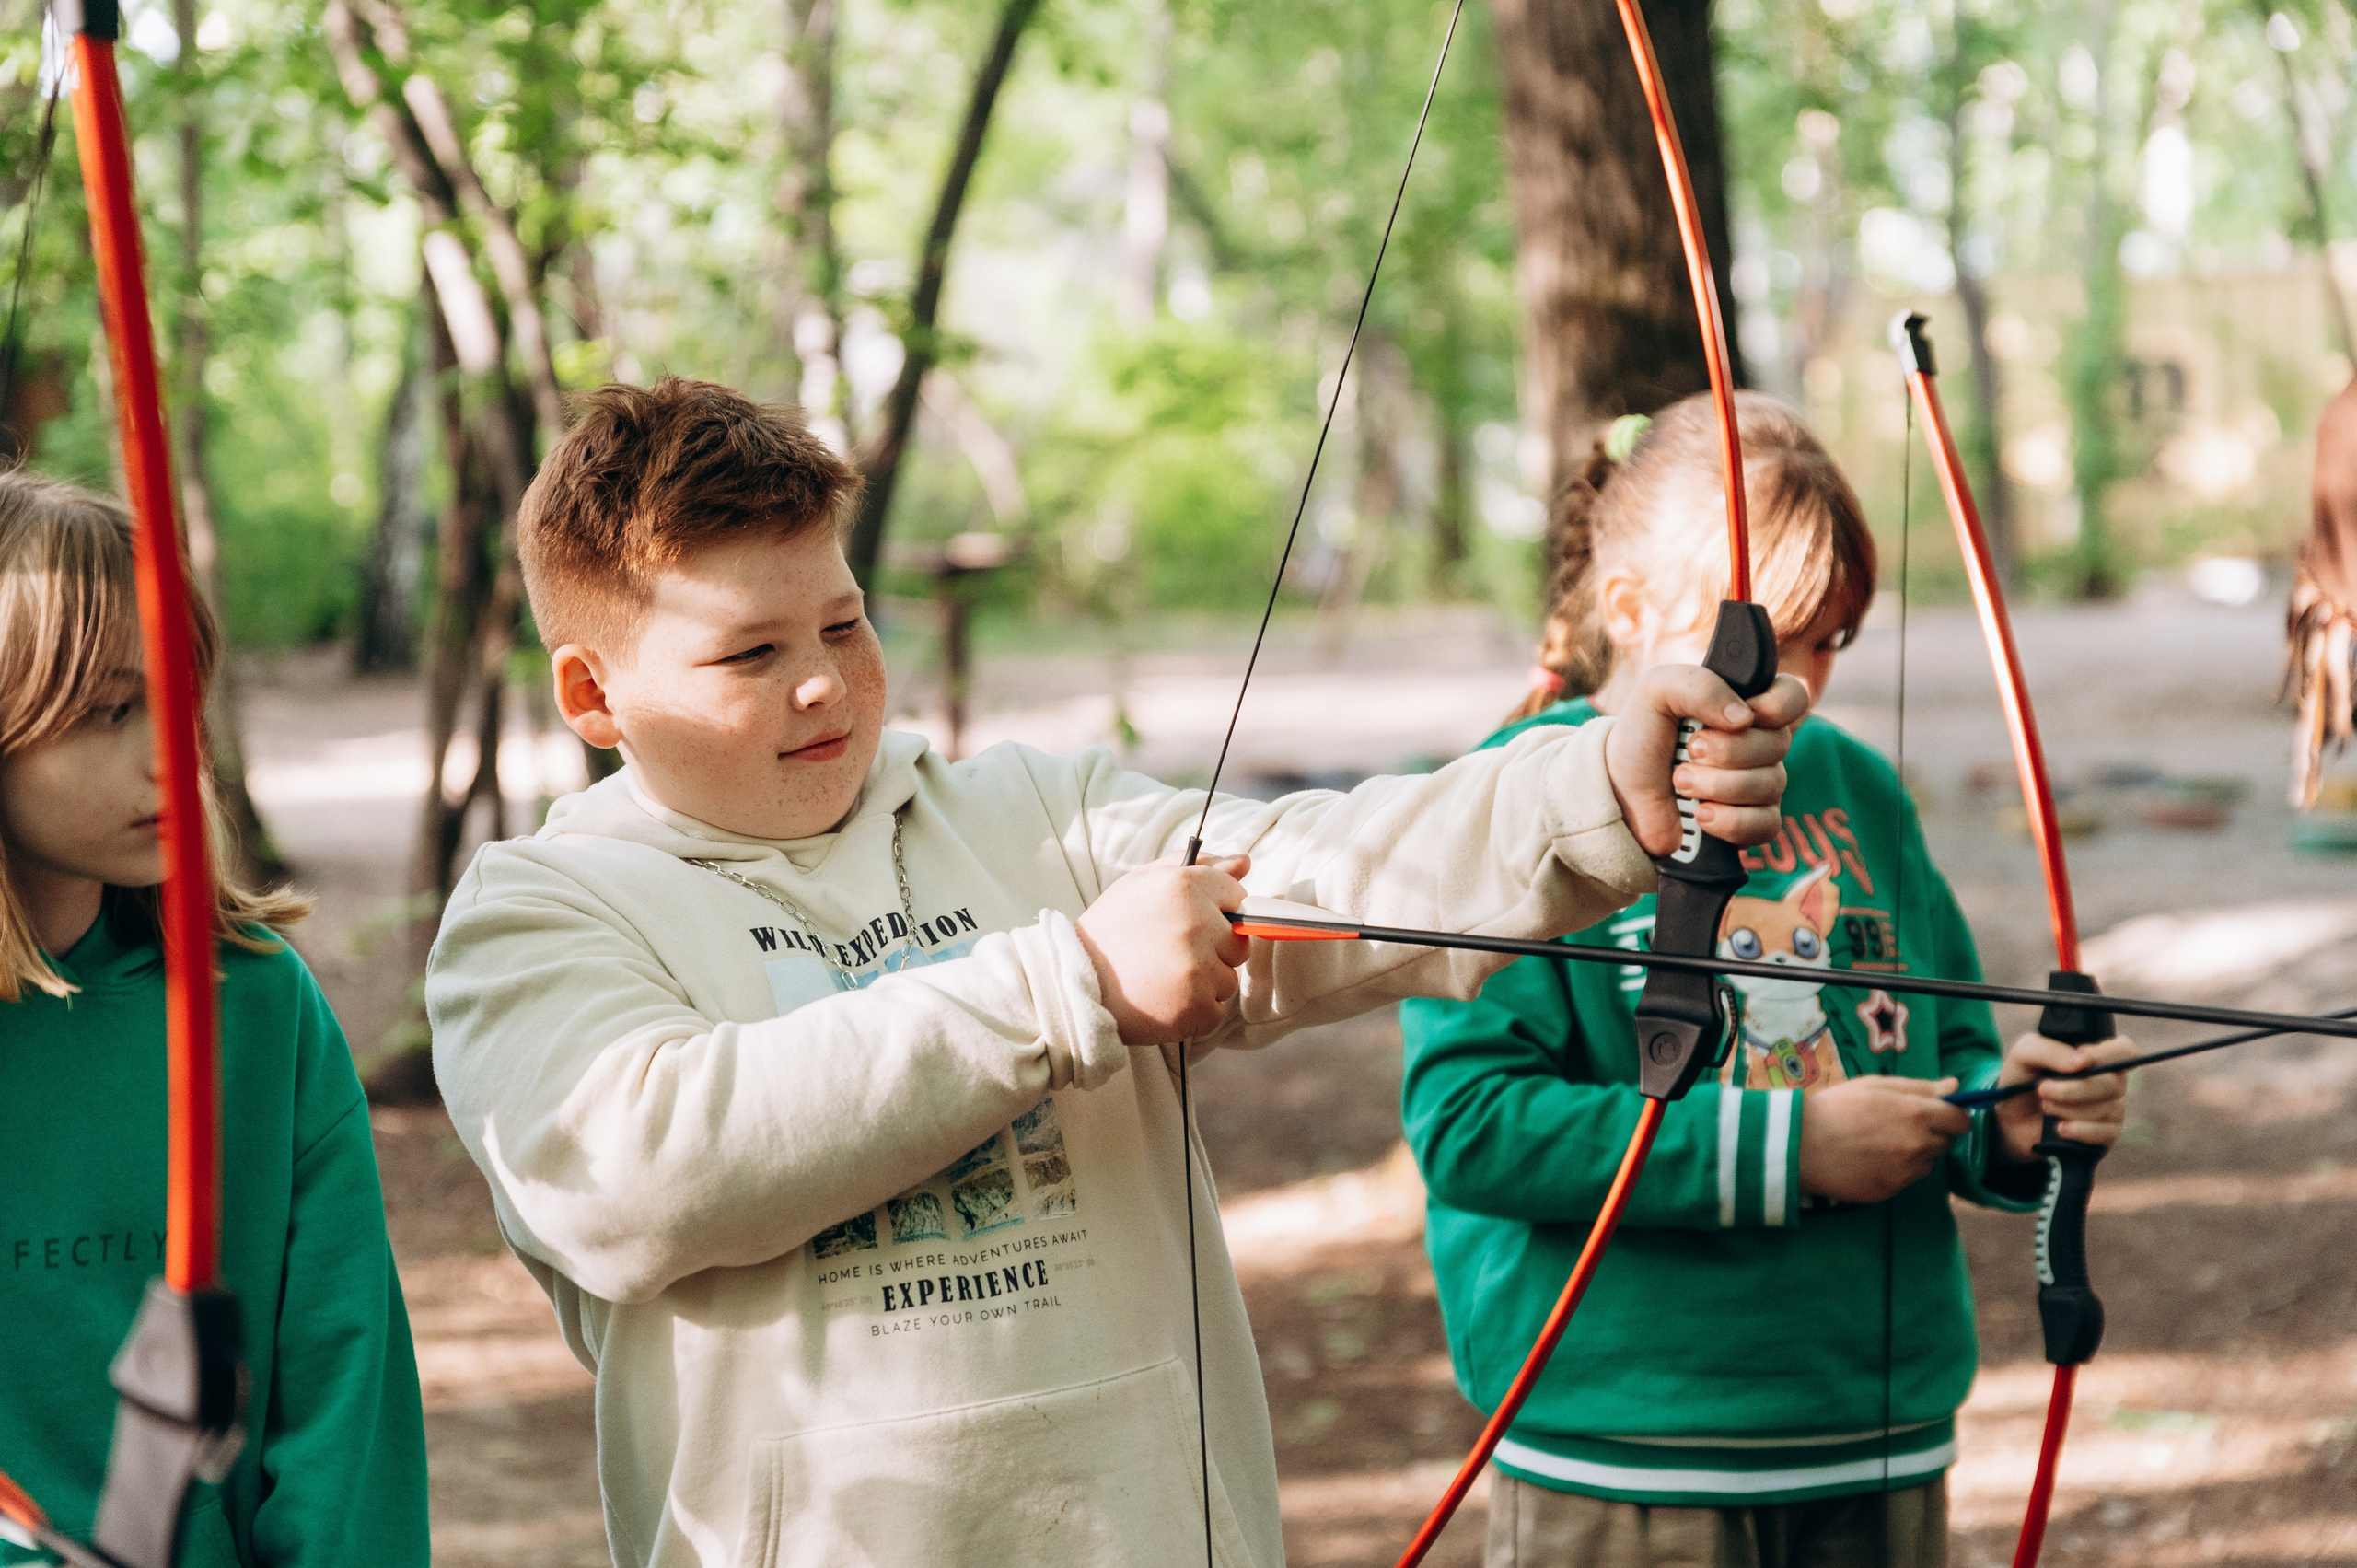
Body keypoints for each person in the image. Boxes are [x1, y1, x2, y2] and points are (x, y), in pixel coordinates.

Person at [423, 377, 1810, 1568]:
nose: (824, 686)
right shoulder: (540, 914)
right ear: (595, 696)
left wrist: (1594, 790)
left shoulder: (1034, 818)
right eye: (751, 652)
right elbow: (633, 1172)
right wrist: (1069, 984)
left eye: (844, 625)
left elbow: (1327, 865)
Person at [1398, 394, 2137, 1568]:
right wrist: (1789, 1148)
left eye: (1831, 642)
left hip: (1872, 1431)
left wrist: (2007, 1117)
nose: (1800, 685)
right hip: (1626, 1448)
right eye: (1765, 642)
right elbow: (1471, 1126)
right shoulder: (1506, 803)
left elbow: (1935, 1055)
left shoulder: (1856, 787)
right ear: (1630, 610)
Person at [0, 473, 428, 1565]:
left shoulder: (258, 1007)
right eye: (106, 709)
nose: (169, 756)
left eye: (176, 699)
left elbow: (343, 1385)